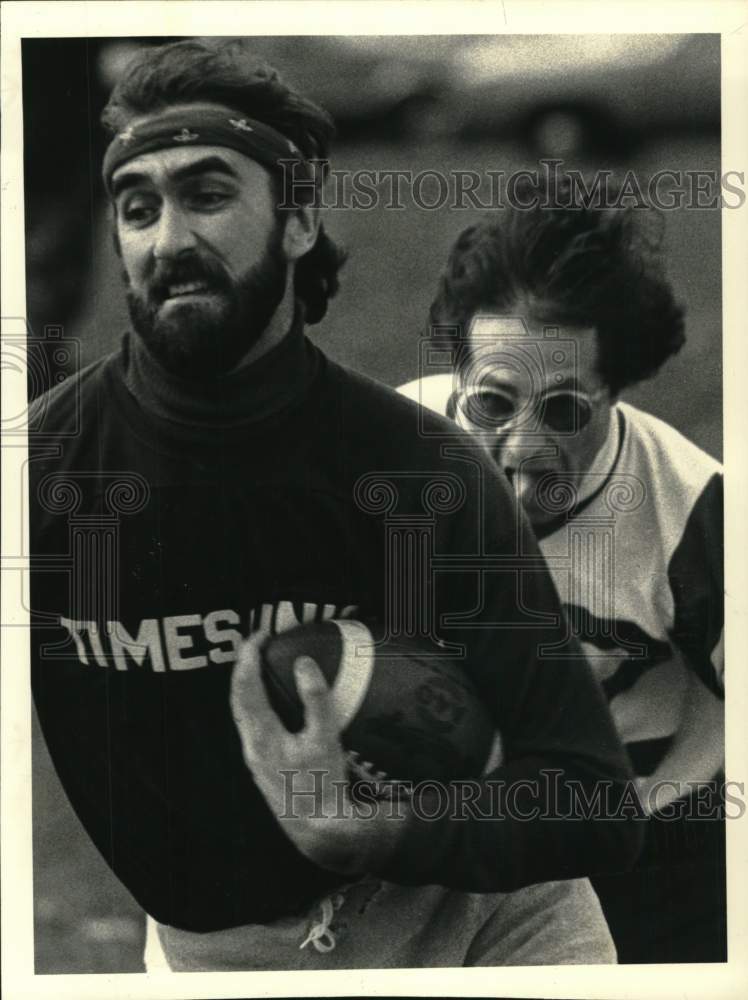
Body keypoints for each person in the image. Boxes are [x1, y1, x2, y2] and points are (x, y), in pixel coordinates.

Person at [29, 40, 641, 973]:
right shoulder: (40, 472)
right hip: (225, 958)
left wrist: (380, 832)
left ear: (299, 219)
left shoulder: (416, 467)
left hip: (488, 927)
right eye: (138, 206)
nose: (167, 240)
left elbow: (592, 799)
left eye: (208, 194)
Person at [399, 176, 725, 963]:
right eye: (492, 404)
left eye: (566, 410)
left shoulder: (695, 512)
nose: (521, 447)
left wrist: (641, 812)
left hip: (634, 828)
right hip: (447, 812)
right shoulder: (391, 453)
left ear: (618, 388)